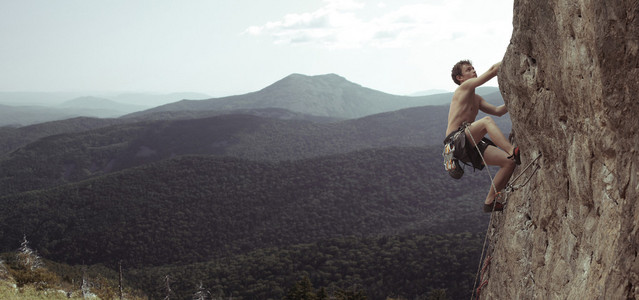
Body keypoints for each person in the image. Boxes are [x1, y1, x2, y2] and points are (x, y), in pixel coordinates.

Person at [444, 60, 520, 213]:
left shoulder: (476, 98)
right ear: (460, 78)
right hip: (455, 140)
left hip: (470, 141)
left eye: (473, 68)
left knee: (508, 163)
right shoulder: (463, 89)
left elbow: (498, 111)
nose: (473, 71)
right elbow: (492, 70)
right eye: (468, 70)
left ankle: (490, 201)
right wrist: (510, 57)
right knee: (486, 122)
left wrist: (516, 98)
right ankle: (512, 151)